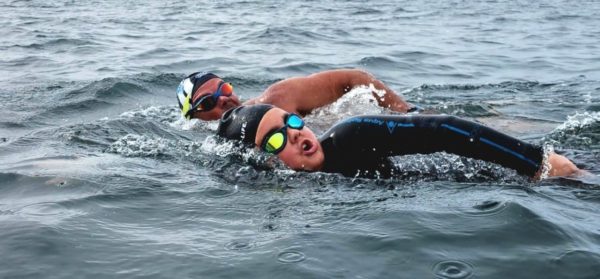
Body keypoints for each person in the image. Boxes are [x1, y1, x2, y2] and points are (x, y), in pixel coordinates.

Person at [216, 104, 582, 180]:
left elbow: (443, 128)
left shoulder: (352, 134)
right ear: (267, 162)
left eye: (291, 121)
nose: (296, 132)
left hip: (507, 170)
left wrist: (539, 163)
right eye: (278, 138)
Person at [175, 69, 418, 121]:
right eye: (208, 102)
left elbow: (354, 79)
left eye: (224, 89)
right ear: (193, 118)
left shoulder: (278, 97)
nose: (224, 99)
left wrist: (406, 112)